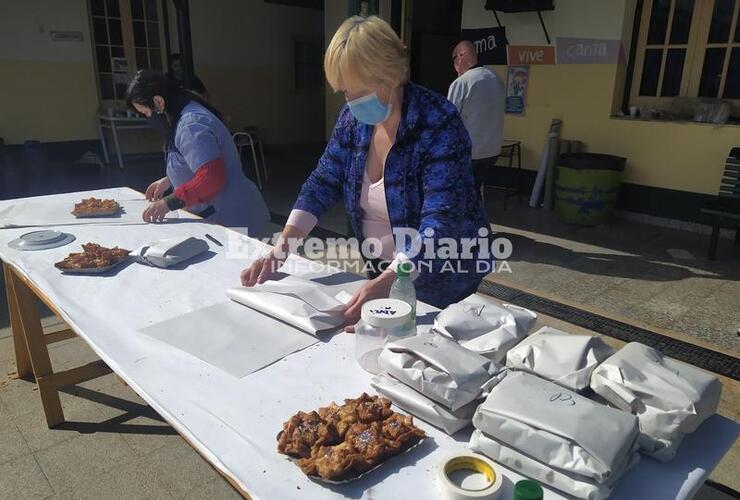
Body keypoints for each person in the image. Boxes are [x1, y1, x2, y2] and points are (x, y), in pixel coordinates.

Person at [240, 16, 492, 326]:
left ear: (390, 74)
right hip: (384, 269)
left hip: (443, 277)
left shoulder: (439, 123)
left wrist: (388, 282)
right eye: (345, 92)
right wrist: (281, 247)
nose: (351, 102)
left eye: (359, 92)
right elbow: (322, 181)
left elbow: (440, 223)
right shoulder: (352, 120)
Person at [126, 70, 270, 235]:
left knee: (243, 260)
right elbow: (197, 160)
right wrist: (169, 180)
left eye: (146, 113)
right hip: (228, 214)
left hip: (233, 219)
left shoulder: (190, 125)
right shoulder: (186, 113)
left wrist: (168, 203)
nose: (148, 118)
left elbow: (211, 177)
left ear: (158, 102)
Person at [447, 40, 505, 195]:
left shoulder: (462, 82)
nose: (454, 66)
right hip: (491, 151)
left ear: (460, 57)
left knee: (459, 197)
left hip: (469, 153)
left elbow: (449, 121)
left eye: (453, 60)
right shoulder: (495, 78)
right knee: (475, 192)